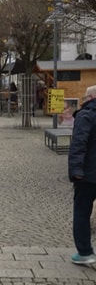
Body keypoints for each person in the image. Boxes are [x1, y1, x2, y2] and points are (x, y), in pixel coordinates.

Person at [68, 85, 96, 265]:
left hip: (88, 174)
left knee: (81, 212)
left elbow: (79, 144)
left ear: (92, 96)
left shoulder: (86, 115)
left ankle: (85, 252)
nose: (84, 100)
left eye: (86, 97)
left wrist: (76, 171)